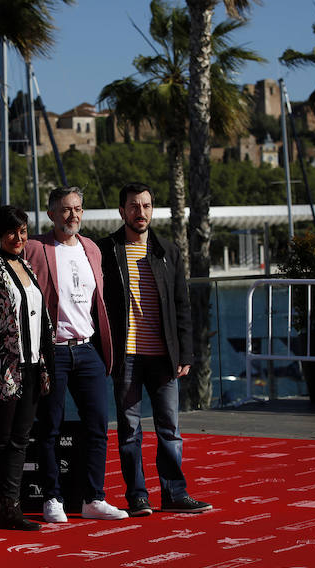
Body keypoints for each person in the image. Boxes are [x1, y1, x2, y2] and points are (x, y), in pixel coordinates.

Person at [97, 182, 213, 516]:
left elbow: (182, 305)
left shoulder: (167, 251)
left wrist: (185, 354)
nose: (141, 212)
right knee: (130, 431)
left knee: (170, 431)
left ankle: (175, 494)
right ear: (122, 211)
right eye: (134, 206)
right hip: (126, 355)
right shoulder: (107, 250)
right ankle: (137, 498)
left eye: (146, 206)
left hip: (164, 356)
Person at [23, 186, 129, 522]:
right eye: (66, 210)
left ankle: (93, 498)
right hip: (53, 352)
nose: (74, 216)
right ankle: (52, 497)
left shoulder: (92, 249)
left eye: (78, 209)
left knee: (98, 425)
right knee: (49, 427)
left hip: (88, 350)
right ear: (52, 213)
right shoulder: (35, 248)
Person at [0, 205, 54, 531]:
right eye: (11, 232)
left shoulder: (27, 265)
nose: (18, 238)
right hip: (3, 366)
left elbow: (42, 318)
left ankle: (11, 504)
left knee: (20, 439)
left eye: (23, 231)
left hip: (31, 362)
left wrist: (44, 364)